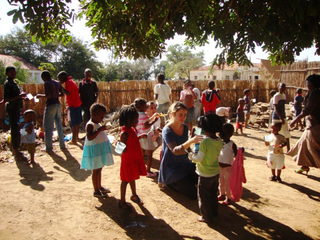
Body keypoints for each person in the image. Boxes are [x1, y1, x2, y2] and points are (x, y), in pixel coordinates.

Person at [158, 102, 203, 199]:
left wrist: (191, 153)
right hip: (171, 167)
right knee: (193, 194)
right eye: (180, 115)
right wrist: (191, 141)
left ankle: (181, 181)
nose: (183, 117)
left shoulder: (185, 127)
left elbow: (185, 145)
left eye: (185, 115)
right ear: (173, 114)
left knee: (202, 177)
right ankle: (168, 183)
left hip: (184, 163)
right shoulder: (167, 130)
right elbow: (175, 150)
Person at [188, 114, 223, 223]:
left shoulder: (205, 142)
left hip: (204, 174)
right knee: (213, 194)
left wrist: (190, 155)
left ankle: (206, 217)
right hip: (215, 172)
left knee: (203, 197)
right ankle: (214, 212)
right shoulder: (219, 140)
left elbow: (199, 158)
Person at [287, 74, 320, 174]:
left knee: (312, 147)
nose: (307, 84)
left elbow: (307, 110)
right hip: (311, 123)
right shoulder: (313, 92)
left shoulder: (315, 93)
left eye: (308, 83)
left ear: (313, 84)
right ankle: (304, 166)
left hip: (315, 124)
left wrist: (294, 120)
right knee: (303, 145)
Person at [81, 103, 114, 198]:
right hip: (94, 150)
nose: (102, 119)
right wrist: (100, 130)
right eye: (101, 116)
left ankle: (99, 186)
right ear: (94, 114)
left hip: (99, 148)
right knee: (95, 170)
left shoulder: (98, 123)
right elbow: (90, 137)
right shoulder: (90, 125)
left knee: (99, 168)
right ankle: (96, 190)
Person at [118, 104, 147, 209]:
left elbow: (132, 140)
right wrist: (120, 144)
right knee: (125, 181)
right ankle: (122, 201)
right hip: (128, 161)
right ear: (129, 120)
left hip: (133, 159)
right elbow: (121, 149)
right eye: (136, 120)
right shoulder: (124, 133)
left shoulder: (132, 130)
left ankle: (134, 195)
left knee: (132, 178)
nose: (137, 122)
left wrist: (140, 137)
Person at [36, 70, 66, 153]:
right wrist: (56, 95)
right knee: (59, 125)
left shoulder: (47, 83)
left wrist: (40, 96)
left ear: (44, 77)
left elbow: (48, 95)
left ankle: (49, 147)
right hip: (57, 105)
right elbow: (62, 94)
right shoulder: (57, 83)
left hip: (50, 105)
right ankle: (62, 145)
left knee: (48, 127)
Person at [3, 66, 27, 161]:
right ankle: (16, 151)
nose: (14, 75)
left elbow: (14, 96)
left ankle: (16, 150)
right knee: (14, 130)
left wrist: (22, 97)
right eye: (12, 73)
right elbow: (7, 99)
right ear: (7, 73)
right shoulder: (8, 84)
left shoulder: (13, 83)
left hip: (16, 108)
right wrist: (19, 96)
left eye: (14, 73)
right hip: (12, 109)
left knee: (17, 129)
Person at [134, 98, 159, 177]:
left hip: (140, 136)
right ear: (142, 107)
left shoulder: (137, 115)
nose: (146, 107)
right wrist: (154, 121)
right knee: (149, 155)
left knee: (141, 154)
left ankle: (141, 168)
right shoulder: (144, 115)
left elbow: (142, 124)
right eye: (145, 106)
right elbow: (146, 125)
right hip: (147, 136)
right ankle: (148, 171)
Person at [57, 71, 82, 144]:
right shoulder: (71, 81)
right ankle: (76, 138)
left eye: (60, 79)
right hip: (76, 103)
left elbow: (67, 92)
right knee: (77, 122)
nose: (59, 80)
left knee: (74, 123)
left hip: (74, 104)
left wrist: (61, 87)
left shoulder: (68, 82)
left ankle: (74, 139)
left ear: (63, 77)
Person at [217, 123, 238, 205]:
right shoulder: (219, 142)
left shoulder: (232, 145)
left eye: (223, 133)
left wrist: (241, 152)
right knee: (221, 181)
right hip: (219, 167)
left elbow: (237, 155)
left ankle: (228, 198)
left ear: (229, 134)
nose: (220, 134)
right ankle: (222, 194)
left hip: (228, 168)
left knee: (227, 184)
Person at [272, 83, 290, 152]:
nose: (283, 88)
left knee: (286, 133)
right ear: (278, 87)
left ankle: (288, 149)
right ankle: (273, 147)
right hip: (277, 117)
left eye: (284, 87)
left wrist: (283, 117)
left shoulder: (284, 96)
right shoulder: (276, 96)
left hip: (283, 116)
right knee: (274, 132)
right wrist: (281, 118)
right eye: (281, 87)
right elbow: (276, 108)